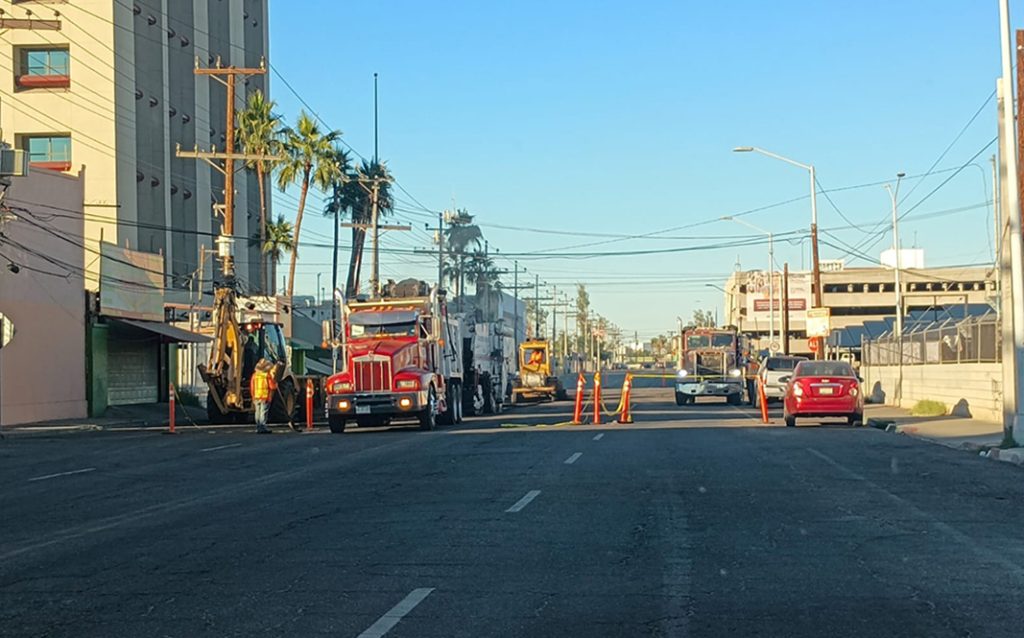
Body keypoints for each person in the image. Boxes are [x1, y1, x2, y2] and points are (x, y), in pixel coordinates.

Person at [250, 359, 276, 434]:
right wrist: (275, 384)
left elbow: (252, 386)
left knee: (257, 412)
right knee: (263, 412)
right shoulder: (267, 375)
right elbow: (272, 387)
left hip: (256, 396)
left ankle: (258, 426)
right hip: (265, 396)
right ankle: (263, 427)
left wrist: (253, 396)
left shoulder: (254, 375)